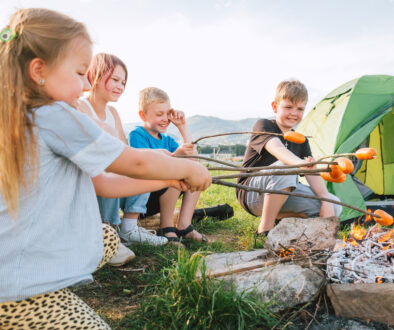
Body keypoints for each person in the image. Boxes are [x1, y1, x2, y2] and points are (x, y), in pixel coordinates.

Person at [0, 8, 211, 329]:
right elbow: (133, 160)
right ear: (38, 70)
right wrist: (186, 167)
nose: (86, 84)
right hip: (18, 291)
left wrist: (169, 176)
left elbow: (103, 183)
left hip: (11, 259)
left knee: (106, 237)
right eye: (80, 72)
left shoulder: (17, 116)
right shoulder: (54, 115)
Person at [78, 53, 168, 252]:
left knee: (143, 164)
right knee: (109, 168)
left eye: (123, 82)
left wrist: (156, 154)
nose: (120, 86)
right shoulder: (81, 107)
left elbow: (124, 151)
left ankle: (128, 227)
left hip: (107, 178)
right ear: (96, 76)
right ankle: (108, 229)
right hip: (89, 183)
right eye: (115, 80)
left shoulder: (113, 114)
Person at [236, 80, 342, 235]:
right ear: (275, 107)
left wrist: (325, 198)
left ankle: (285, 222)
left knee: (335, 205)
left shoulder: (301, 140)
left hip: (282, 192)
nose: (294, 113)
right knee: (287, 167)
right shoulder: (264, 126)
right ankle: (265, 229)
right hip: (251, 193)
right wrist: (299, 163)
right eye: (288, 107)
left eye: (300, 109)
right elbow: (277, 148)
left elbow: (311, 172)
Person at [128, 87, 209, 244]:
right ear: (142, 115)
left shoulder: (167, 139)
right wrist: (175, 156)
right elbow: (145, 167)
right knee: (175, 170)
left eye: (167, 114)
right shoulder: (136, 135)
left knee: (195, 172)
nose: (165, 119)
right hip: (141, 200)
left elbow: (194, 159)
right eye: (159, 114)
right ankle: (166, 227)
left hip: (161, 196)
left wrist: (182, 126)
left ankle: (184, 225)